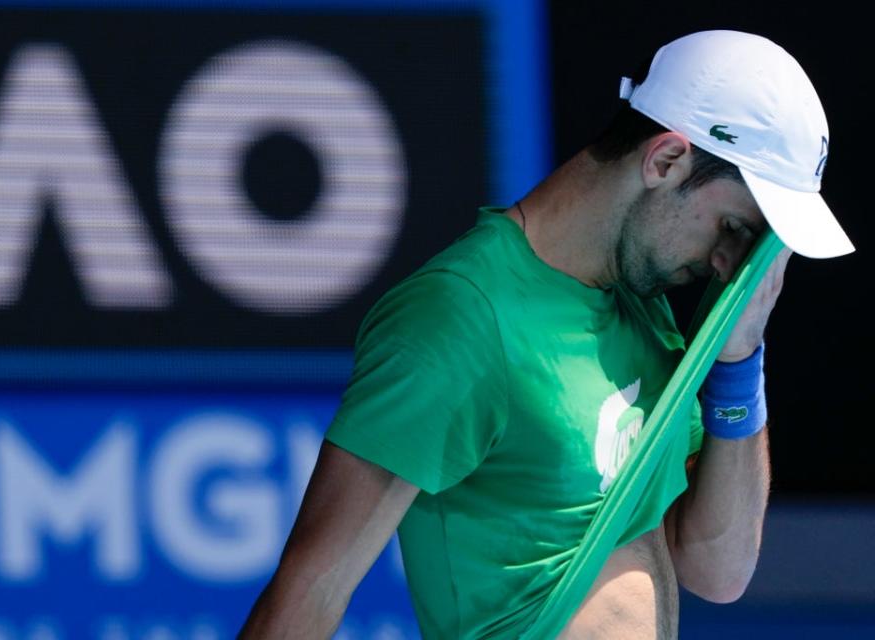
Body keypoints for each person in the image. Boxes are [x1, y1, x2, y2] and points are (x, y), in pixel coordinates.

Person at [238, 30, 854, 639]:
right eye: (730, 227)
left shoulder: (642, 307)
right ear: (666, 161)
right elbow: (311, 590)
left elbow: (718, 569)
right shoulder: (461, 317)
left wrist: (739, 360)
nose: (728, 264)